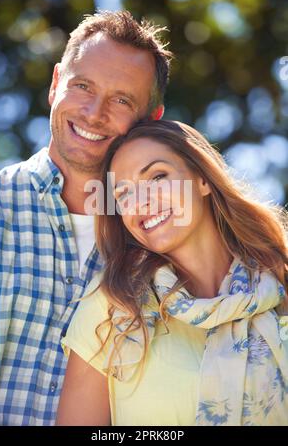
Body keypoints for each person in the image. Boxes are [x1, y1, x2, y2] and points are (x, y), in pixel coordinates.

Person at [0, 11, 172, 426]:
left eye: (122, 100)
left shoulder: (163, 251)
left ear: (151, 119)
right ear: (56, 84)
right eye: (82, 86)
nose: (94, 112)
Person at [57, 120, 288, 426]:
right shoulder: (111, 309)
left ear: (202, 179)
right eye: (124, 194)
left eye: (156, 177)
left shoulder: (279, 286)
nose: (140, 202)